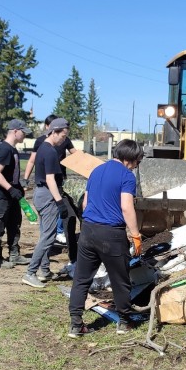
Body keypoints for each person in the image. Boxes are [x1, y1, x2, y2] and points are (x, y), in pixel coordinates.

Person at [67, 139, 144, 338]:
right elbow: (126, 207)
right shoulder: (127, 177)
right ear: (130, 159)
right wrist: (135, 235)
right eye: (137, 161)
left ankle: (76, 324)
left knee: (81, 279)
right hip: (112, 234)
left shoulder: (95, 171)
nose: (136, 166)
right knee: (120, 280)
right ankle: (124, 322)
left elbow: (85, 203)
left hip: (88, 231)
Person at [23, 117, 71, 288]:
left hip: (40, 193)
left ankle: (45, 270)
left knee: (45, 234)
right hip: (48, 195)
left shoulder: (43, 147)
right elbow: (50, 179)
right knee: (48, 236)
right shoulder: (50, 151)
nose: (64, 139)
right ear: (54, 132)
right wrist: (59, 202)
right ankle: (30, 272)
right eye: (63, 136)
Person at [23, 114, 77, 248]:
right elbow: (32, 160)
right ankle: (47, 240)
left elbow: (75, 153)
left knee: (62, 207)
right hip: (48, 181)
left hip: (60, 179)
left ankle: (58, 232)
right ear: (49, 128)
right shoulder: (42, 143)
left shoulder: (65, 139)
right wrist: (25, 179)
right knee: (53, 208)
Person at [0, 119, 32, 268]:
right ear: (15, 131)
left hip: (11, 195)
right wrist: (11, 189)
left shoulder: (13, 149)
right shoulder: (5, 149)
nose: (25, 135)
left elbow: (10, 174)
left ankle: (14, 255)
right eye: (23, 132)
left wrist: (18, 188)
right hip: (0, 195)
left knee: (14, 225)